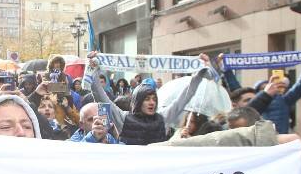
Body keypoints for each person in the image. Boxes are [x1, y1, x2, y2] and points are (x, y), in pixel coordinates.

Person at [84, 51, 217, 145]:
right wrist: (93, 69)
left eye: (154, 98)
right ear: (138, 101)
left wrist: (198, 74)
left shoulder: (163, 117)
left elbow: (186, 95)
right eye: (147, 99)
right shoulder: (123, 118)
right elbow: (100, 96)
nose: (152, 102)